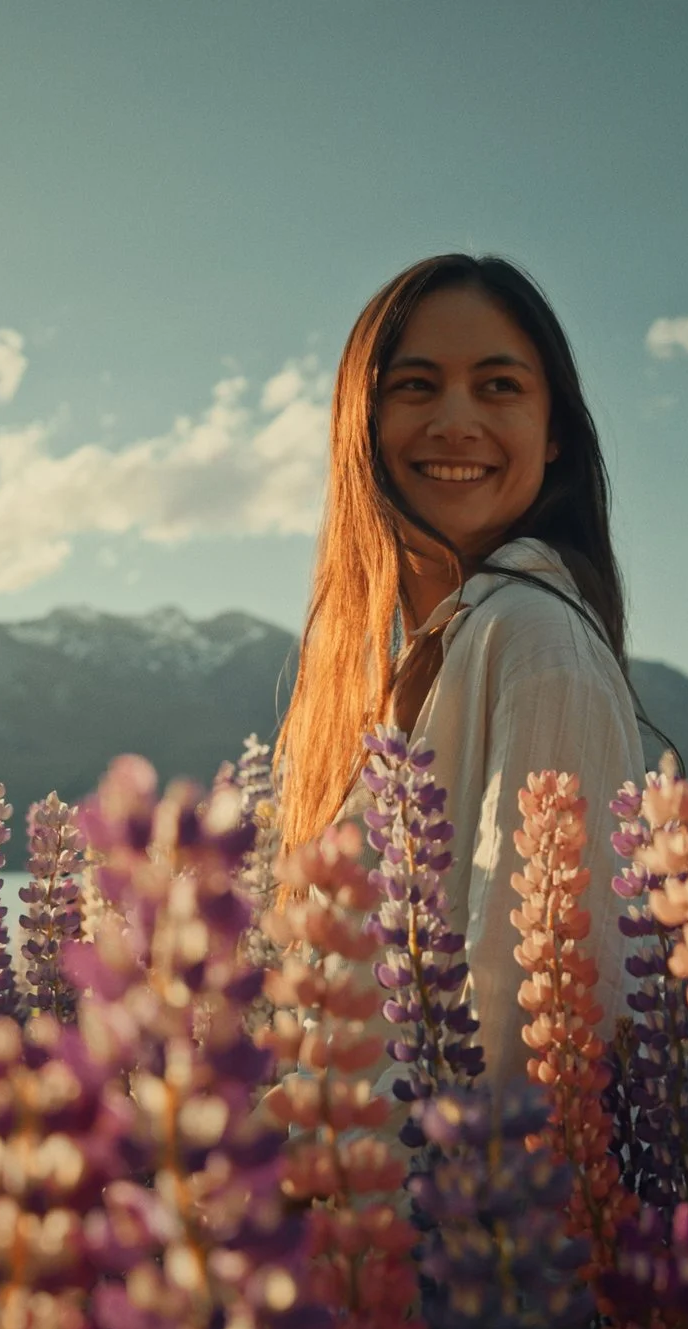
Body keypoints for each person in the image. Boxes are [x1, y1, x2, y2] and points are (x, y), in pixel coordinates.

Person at [275, 252, 662, 1088]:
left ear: (554, 431)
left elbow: (524, 1055)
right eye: (415, 386)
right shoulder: (426, 654)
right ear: (360, 423)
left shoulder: (534, 638)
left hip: (462, 1212)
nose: (456, 421)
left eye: (499, 387)